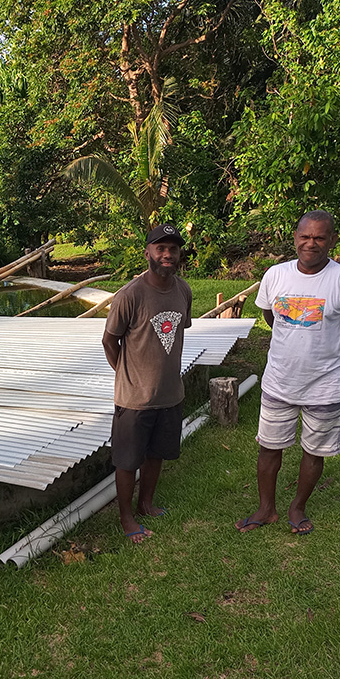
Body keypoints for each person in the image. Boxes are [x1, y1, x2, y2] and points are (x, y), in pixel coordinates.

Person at [236, 210, 340, 535]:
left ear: (332, 240)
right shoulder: (275, 275)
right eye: (305, 236)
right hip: (279, 381)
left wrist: (331, 351)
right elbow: (271, 315)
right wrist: (293, 341)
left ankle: (297, 507)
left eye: (320, 237)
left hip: (326, 385)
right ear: (295, 238)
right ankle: (267, 508)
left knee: (314, 449)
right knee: (269, 447)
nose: (311, 243)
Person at [103, 224, 193, 544]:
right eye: (160, 248)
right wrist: (126, 375)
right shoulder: (130, 295)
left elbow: (176, 333)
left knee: (156, 454)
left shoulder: (184, 291)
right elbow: (110, 340)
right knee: (128, 461)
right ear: (148, 253)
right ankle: (126, 516)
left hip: (170, 393)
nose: (167, 254)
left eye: (173, 249)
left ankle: (146, 504)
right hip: (134, 399)